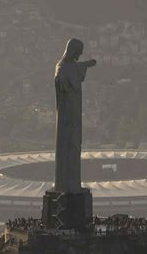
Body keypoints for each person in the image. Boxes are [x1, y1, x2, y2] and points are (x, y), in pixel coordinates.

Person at [54, 38, 96, 193]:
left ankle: (73, 184)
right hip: (67, 117)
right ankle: (66, 185)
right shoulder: (61, 68)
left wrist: (87, 64)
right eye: (78, 53)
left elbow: (76, 68)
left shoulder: (70, 67)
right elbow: (68, 77)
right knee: (68, 147)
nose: (80, 56)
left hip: (74, 115)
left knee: (75, 146)